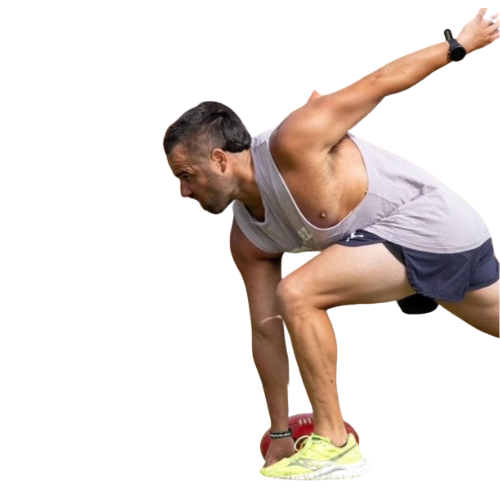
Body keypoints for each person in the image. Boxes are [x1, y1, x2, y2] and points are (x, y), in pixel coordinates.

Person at [163, 9, 500, 481]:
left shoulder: (294, 140)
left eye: (187, 176)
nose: (183, 192)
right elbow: (267, 330)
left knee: (300, 291)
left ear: (219, 159)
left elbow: (381, 82)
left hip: (435, 222)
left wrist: (460, 45)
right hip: (414, 247)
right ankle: (326, 442)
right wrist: (280, 434)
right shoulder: (247, 238)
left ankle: (337, 447)